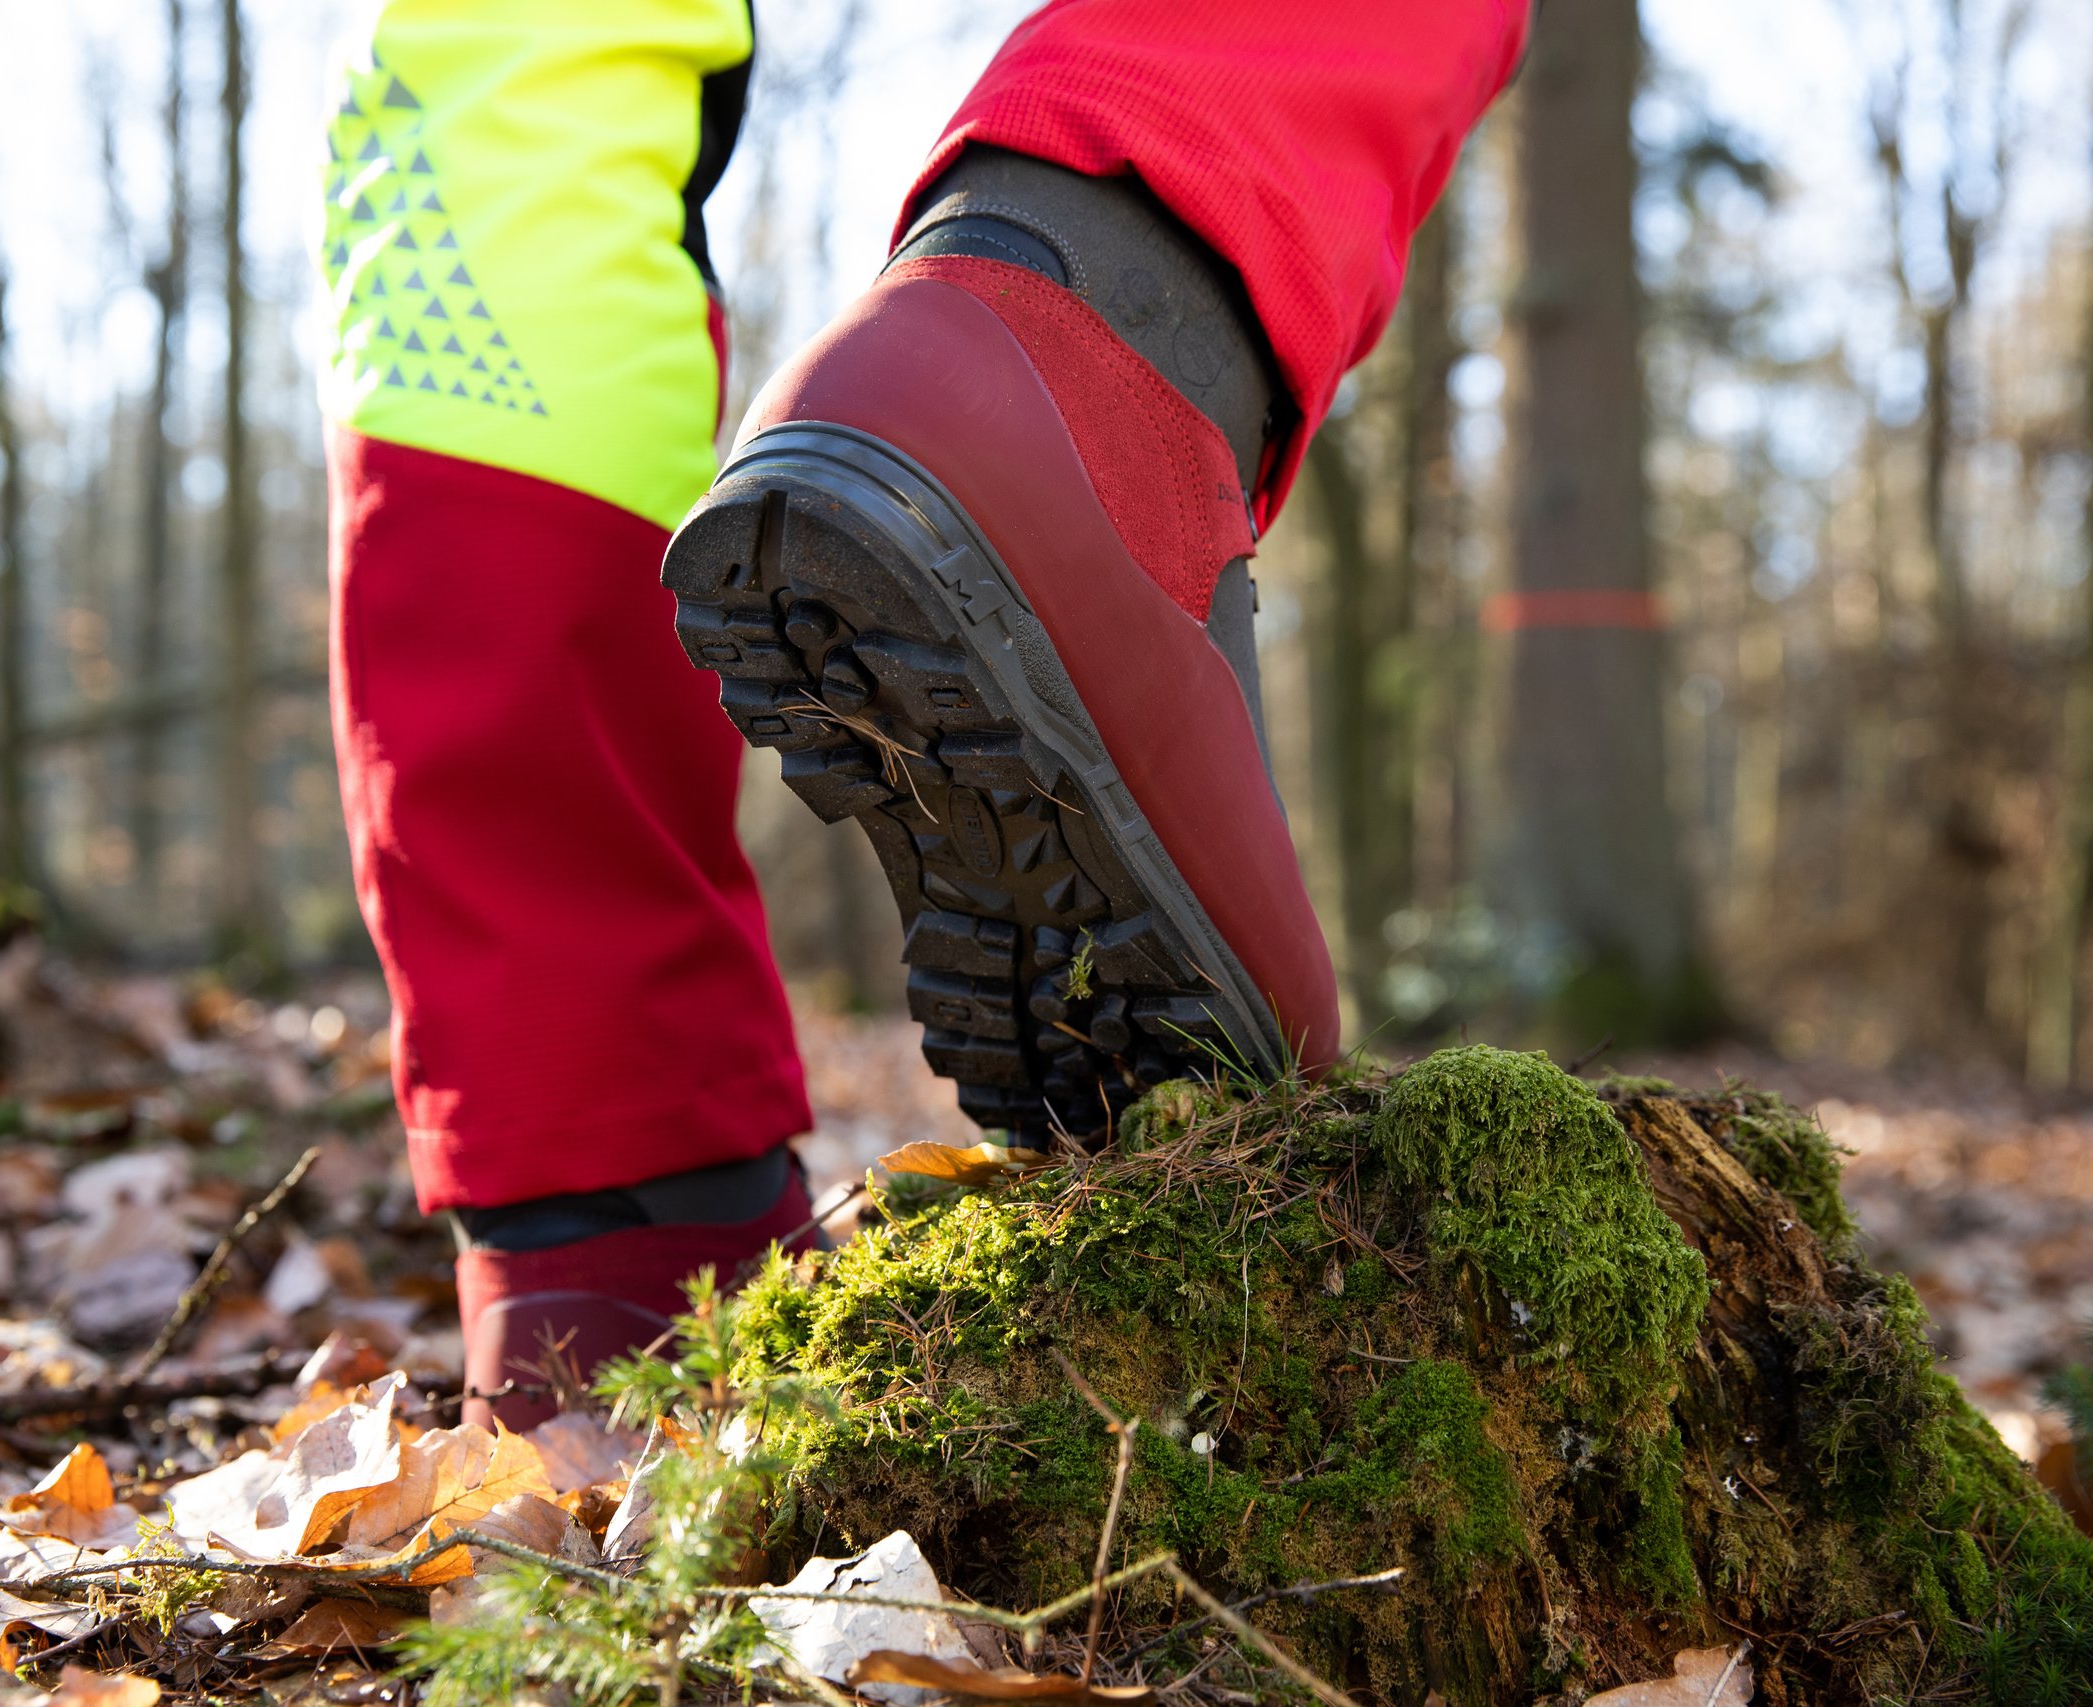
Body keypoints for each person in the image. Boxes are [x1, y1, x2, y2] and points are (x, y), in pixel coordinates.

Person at [317, 0, 1529, 1423]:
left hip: (510, 1075)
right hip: (1084, 307)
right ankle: (1101, 323)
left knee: (521, 64)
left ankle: (616, 1209)